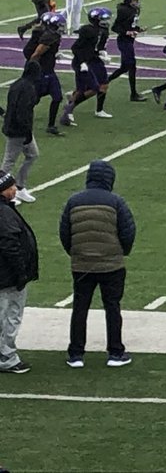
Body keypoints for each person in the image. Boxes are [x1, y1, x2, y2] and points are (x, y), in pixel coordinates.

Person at [60, 159, 135, 368]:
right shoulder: (116, 201)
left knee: (80, 307)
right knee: (112, 307)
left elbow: (65, 232)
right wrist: (120, 252)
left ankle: (76, 354)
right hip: (112, 265)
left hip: (81, 264)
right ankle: (115, 353)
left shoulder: (74, 201)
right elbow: (128, 231)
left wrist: (75, 253)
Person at [0, 171, 38, 374]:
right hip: (8, 277)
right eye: (10, 187)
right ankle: (6, 357)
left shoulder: (5, 209)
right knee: (9, 317)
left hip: (6, 275)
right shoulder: (4, 213)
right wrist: (21, 272)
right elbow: (10, 244)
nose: (15, 189)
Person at [60, 6, 113, 126]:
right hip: (82, 62)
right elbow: (76, 48)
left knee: (104, 84)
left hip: (94, 59)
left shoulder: (103, 31)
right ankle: (69, 108)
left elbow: (98, 46)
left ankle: (99, 110)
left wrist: (102, 53)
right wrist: (82, 62)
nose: (107, 21)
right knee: (91, 89)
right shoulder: (88, 30)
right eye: (104, 19)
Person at [2, 63, 42, 204]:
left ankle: (19, 186)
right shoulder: (28, 88)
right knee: (9, 161)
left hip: (15, 127)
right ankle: (3, 190)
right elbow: (22, 111)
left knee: (32, 155)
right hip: (18, 130)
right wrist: (27, 131)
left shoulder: (17, 84)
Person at [108, 0, 148, 102]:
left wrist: (138, 29)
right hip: (123, 41)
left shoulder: (134, 10)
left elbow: (130, 25)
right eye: (135, 0)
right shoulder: (124, 11)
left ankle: (104, 81)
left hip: (129, 41)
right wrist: (127, 32)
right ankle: (133, 94)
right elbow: (115, 27)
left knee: (125, 67)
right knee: (130, 66)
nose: (137, 2)